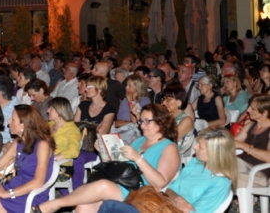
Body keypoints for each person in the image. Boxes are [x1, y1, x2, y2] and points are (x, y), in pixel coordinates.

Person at [36, 104, 180, 213]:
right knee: (83, 206)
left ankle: (56, 204)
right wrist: (104, 152)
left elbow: (160, 183)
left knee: (103, 185)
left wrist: (138, 159)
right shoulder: (139, 140)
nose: (142, 125)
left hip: (141, 191)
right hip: (121, 183)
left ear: (161, 122)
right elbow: (119, 165)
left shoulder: (169, 147)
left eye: (148, 121)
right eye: (141, 121)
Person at [97, 128, 237, 213]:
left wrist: (176, 203)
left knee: (110, 206)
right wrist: (179, 198)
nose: (194, 148)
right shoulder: (196, 163)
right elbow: (170, 189)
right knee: (109, 204)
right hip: (161, 206)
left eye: (200, 146)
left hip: (165, 210)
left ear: (214, 153)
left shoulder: (220, 183)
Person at [234, 94, 270, 189]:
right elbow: (232, 143)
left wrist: (244, 146)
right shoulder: (250, 126)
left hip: (259, 173)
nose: (248, 110)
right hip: (243, 168)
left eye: (252, 109)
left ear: (264, 113)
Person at [48, 97, 81, 183]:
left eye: (51, 108)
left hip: (61, 167)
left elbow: (74, 151)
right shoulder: (48, 126)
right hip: (43, 164)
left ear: (59, 110)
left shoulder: (72, 130)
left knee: (28, 174)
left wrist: (51, 158)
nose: (48, 110)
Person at [161, 82, 195, 157]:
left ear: (179, 102)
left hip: (173, 156)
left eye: (168, 100)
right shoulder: (166, 116)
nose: (163, 103)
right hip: (162, 151)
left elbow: (170, 140)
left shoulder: (186, 120)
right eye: (163, 99)